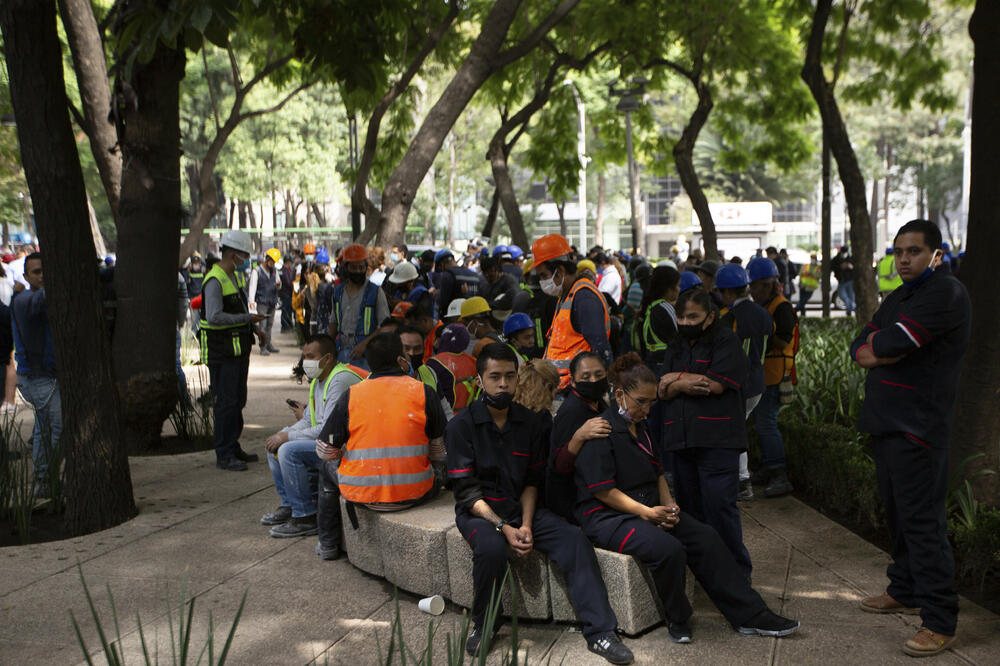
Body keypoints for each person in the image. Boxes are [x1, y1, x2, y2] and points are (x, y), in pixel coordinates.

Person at [574, 352, 799, 643]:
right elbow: (604, 491)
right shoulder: (601, 430)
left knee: (706, 537)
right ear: (619, 394)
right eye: (641, 401)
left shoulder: (642, 429)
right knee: (669, 549)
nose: (647, 409)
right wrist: (647, 513)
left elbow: (657, 472)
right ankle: (678, 618)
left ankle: (751, 615)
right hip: (609, 515)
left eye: (651, 401)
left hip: (647, 505)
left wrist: (668, 505)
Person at [446, 344, 633, 663]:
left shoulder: (530, 423)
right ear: (480, 381)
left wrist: (528, 526)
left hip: (522, 509)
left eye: (509, 376)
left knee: (574, 539)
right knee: (491, 550)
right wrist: (504, 529)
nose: (503, 384)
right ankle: (485, 623)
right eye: (494, 377)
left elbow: (533, 482)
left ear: (517, 379)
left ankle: (600, 632)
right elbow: (467, 493)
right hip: (480, 512)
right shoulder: (460, 426)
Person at [850, 219, 971, 657]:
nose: (904, 259)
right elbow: (862, 341)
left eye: (914, 251)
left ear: (936, 254)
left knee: (922, 522)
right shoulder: (902, 295)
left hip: (918, 427)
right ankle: (904, 587)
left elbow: (894, 340)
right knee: (897, 515)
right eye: (899, 251)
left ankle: (940, 619)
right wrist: (877, 347)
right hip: (887, 422)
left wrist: (879, 347)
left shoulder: (945, 293)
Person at [314, 332, 448, 559]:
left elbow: (325, 452)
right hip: (417, 492)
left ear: (369, 363)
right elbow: (439, 451)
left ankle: (327, 544)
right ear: (400, 360)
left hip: (360, 494)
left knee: (325, 471)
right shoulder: (424, 392)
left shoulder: (351, 395)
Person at [658, 289, 753, 578]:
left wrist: (675, 380)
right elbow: (661, 388)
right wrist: (679, 381)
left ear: (710, 317)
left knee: (719, 509)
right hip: (681, 441)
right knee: (691, 513)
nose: (686, 323)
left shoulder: (726, 341)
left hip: (717, 441)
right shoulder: (677, 344)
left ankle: (737, 575)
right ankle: (705, 574)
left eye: (693, 317)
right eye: (682, 317)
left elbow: (714, 385)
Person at [261, 335, 368, 541]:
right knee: (276, 443)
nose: (305, 362)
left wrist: (287, 437)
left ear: (327, 358)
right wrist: (283, 434)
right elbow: (309, 420)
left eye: (311, 356)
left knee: (287, 450)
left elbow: (326, 430)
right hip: (330, 442)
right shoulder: (320, 379)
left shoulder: (339, 379)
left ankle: (305, 517)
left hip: (347, 447)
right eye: (304, 356)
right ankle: (289, 505)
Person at [198, 230, 266, 471]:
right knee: (226, 402)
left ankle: (232, 445)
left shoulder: (233, 276)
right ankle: (224, 453)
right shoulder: (215, 279)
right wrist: (246, 318)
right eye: (244, 254)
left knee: (237, 400)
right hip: (222, 353)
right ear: (234, 253)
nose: (246, 259)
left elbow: (236, 310)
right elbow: (215, 317)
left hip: (237, 352)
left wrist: (254, 328)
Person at [716, 263, 774, 501]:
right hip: (758, 383)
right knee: (739, 428)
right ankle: (740, 478)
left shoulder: (729, 318)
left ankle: (741, 481)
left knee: (734, 431)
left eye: (722, 292)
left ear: (729, 292)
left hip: (737, 384)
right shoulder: (763, 313)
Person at [10, 253, 61, 496]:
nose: (41, 276)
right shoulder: (24, 300)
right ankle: (45, 482)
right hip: (39, 378)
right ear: (26, 276)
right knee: (55, 428)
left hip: (44, 376)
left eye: (44, 271)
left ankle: (44, 482)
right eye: (36, 272)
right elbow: (43, 298)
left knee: (46, 428)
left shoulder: (28, 297)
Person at [747, 257, 798, 497]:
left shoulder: (781, 307)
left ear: (767, 285)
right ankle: (769, 468)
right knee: (762, 424)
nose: (751, 291)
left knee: (767, 424)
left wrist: (760, 332)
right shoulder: (766, 306)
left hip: (775, 376)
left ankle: (779, 474)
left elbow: (783, 340)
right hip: (763, 375)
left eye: (754, 285)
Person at [532, 234, 611, 388]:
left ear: (560, 270)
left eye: (544, 275)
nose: (542, 281)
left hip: (576, 391)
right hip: (562, 388)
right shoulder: (566, 296)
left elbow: (601, 351)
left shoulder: (584, 299)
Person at [547, 351, 611, 522]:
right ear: (573, 382)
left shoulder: (600, 404)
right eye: (585, 376)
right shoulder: (572, 411)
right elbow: (559, 467)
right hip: (576, 503)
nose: (593, 381)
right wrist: (579, 437)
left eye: (598, 375)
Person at [330, 244, 389, 370]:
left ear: (366, 267)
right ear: (346, 268)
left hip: (367, 357)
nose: (357, 271)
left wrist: (365, 344)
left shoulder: (376, 292)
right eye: (353, 267)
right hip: (341, 352)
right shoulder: (338, 292)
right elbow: (333, 323)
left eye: (361, 267)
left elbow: (385, 326)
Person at [634, 265, 680, 367]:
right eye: (677, 285)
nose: (679, 289)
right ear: (668, 289)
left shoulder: (649, 306)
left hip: (651, 362)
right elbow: (678, 336)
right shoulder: (665, 307)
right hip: (665, 363)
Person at [249, 248, 282, 355]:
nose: (272, 264)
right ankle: (263, 347)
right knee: (262, 325)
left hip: (272, 301)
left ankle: (268, 344)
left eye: (274, 263)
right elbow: (252, 286)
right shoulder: (257, 271)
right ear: (267, 259)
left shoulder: (274, 271)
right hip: (262, 301)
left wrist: (278, 285)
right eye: (271, 262)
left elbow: (279, 284)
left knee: (269, 325)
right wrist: (251, 300)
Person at [435, 249, 482, 317]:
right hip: (474, 317)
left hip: (455, 318)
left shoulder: (448, 275)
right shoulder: (474, 275)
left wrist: (436, 295)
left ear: (441, 265)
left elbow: (442, 302)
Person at [480, 256, 520, 320]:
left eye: (490, 271)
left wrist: (490, 305)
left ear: (497, 269)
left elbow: (512, 297)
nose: (487, 275)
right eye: (484, 273)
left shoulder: (509, 281)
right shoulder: (486, 286)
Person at [831, 246, 855, 316]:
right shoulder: (836, 259)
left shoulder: (850, 259)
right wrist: (840, 267)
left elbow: (855, 268)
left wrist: (851, 267)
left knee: (851, 297)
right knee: (843, 296)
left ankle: (849, 312)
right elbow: (832, 266)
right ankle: (849, 308)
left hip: (850, 280)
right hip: (841, 281)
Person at [279, 251, 296, 332]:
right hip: (286, 293)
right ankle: (285, 326)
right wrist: (294, 286)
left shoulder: (285, 270)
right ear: (287, 262)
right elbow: (288, 282)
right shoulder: (284, 271)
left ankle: (287, 325)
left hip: (286, 294)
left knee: (287, 310)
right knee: (285, 311)